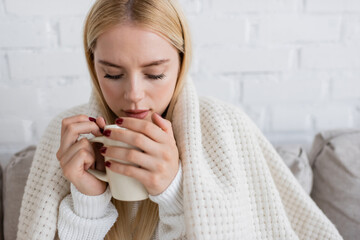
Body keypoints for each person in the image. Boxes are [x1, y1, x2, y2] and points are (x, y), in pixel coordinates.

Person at [17, 0, 343, 239]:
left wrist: (172, 191)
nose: (134, 95)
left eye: (155, 74)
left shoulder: (223, 127)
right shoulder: (68, 135)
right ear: (93, 67)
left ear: (181, 64)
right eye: (112, 74)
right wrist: (88, 200)